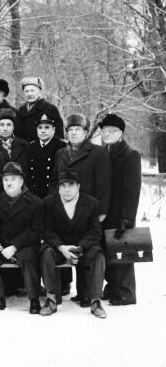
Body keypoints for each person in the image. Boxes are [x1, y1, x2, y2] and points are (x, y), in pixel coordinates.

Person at [39, 171, 107, 319]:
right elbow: (47, 230)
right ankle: (51, 299)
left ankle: (95, 301)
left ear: (78, 186)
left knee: (98, 254)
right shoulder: (49, 202)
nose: (67, 189)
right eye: (63, 185)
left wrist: (81, 247)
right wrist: (61, 247)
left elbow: (95, 232)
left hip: (82, 247)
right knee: (46, 252)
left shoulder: (91, 203)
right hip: (59, 247)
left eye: (71, 185)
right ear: (58, 187)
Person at [0, 162, 43, 314]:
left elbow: (35, 231)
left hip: (24, 246)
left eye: (13, 179)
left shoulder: (36, 203)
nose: (9, 183)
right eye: (6, 179)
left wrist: (15, 246)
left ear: (21, 181)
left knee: (29, 258)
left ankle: (34, 298)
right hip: (1, 246)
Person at [99, 113, 142, 306]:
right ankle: (112, 287)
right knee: (107, 252)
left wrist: (128, 218)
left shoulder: (130, 154)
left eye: (112, 131)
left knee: (122, 254)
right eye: (104, 131)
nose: (107, 134)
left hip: (120, 214)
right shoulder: (104, 152)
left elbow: (133, 189)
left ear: (121, 133)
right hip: (105, 213)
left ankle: (126, 293)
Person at [55, 114, 111, 214]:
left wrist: (101, 212)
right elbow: (55, 181)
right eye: (70, 130)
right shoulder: (60, 153)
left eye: (77, 129)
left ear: (85, 132)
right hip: (63, 211)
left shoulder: (99, 153)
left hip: (88, 211)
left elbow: (103, 187)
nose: (73, 133)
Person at [27, 113, 66, 199]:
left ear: (54, 129)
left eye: (47, 127)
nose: (43, 131)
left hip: (53, 195)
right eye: (40, 128)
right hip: (34, 195)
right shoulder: (31, 147)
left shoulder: (62, 147)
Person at [15, 77, 64, 142]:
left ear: (39, 91)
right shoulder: (21, 110)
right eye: (26, 91)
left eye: (32, 91)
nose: (29, 94)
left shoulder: (50, 109)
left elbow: (59, 135)